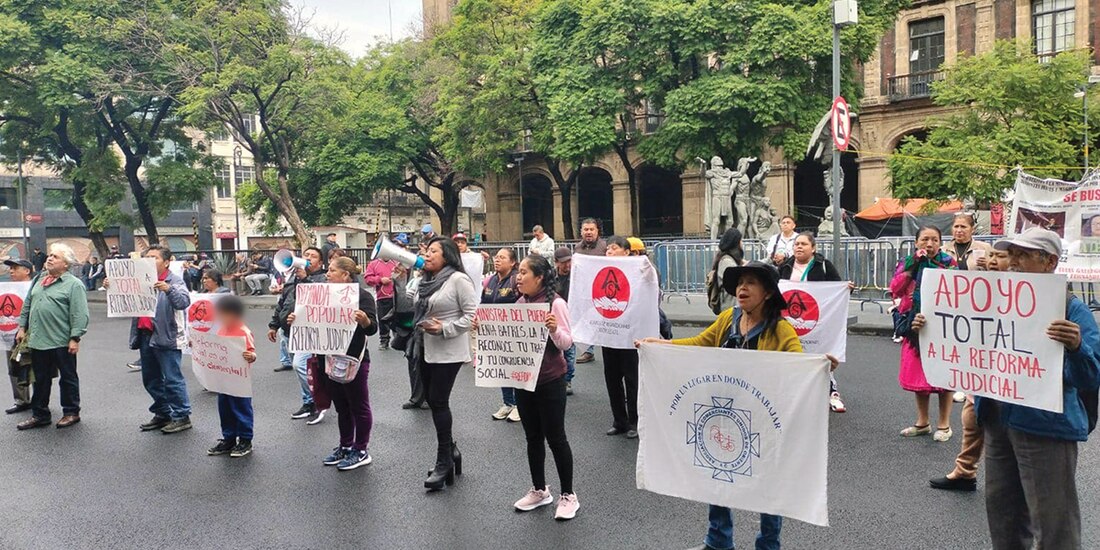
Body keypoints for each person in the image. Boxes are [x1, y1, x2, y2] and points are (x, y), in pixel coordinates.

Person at [918, 228, 1100, 548]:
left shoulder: (1070, 309)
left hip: (1046, 426)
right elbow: (964, 345)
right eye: (1011, 254)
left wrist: (1076, 346)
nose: (1013, 261)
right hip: (999, 421)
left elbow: (1091, 376)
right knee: (1004, 514)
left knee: (1053, 521)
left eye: (1023, 255)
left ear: (1050, 262)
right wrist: (927, 326)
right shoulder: (992, 300)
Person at [638, 260, 838, 550]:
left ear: (768, 293)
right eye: (740, 282)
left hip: (765, 423)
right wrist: (659, 346)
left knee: (769, 486)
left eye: (751, 283)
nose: (742, 288)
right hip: (725, 415)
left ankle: (768, 545)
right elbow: (699, 343)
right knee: (718, 476)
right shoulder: (727, 319)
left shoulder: (781, 330)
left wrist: (823, 367)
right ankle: (718, 540)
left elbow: (800, 367)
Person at [928, 247, 1009, 493]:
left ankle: (1013, 483)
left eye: (1000, 256)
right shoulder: (976, 285)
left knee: (1006, 428)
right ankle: (964, 472)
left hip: (1010, 371)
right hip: (980, 366)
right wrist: (926, 322)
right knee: (972, 416)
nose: (993, 260)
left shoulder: (1025, 289)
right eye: (991, 255)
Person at [289, 256, 379, 471]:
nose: (327, 274)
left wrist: (365, 320)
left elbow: (373, 328)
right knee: (341, 406)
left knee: (359, 406)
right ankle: (346, 446)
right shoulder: (321, 296)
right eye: (328, 270)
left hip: (352, 360)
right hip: (327, 359)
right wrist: (295, 320)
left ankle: (361, 449)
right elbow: (311, 320)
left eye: (331, 270)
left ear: (345, 275)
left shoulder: (362, 296)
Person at [509, 254, 579, 520]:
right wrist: (487, 331)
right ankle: (539, 490)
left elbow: (566, 343)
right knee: (532, 437)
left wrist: (553, 330)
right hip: (524, 381)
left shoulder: (555, 304)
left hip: (550, 380)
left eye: (525, 272)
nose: (519, 277)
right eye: (519, 272)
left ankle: (568, 495)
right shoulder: (519, 303)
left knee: (556, 438)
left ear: (539, 277)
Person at [411, 236, 478, 491]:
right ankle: (452, 451)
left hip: (448, 351)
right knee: (431, 398)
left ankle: (443, 462)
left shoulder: (458, 280)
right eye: (426, 252)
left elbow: (472, 316)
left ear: (447, 256)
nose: (427, 255)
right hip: (426, 348)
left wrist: (445, 328)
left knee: (439, 402)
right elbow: (414, 303)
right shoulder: (425, 280)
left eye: (433, 252)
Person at [890, 225, 957, 442]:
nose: (930, 244)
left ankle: (944, 424)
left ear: (940, 242)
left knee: (944, 374)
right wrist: (914, 267)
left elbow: (957, 291)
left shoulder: (949, 263)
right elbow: (896, 288)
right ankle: (922, 422)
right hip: (914, 324)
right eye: (925, 239)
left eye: (935, 240)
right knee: (920, 374)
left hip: (943, 325)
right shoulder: (907, 262)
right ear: (916, 242)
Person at [118, 245, 193, 434]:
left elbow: (183, 302)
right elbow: (125, 301)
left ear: (167, 262)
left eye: (155, 258)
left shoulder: (173, 280)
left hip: (165, 335)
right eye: (147, 257)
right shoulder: (140, 279)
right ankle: (162, 413)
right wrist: (114, 287)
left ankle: (182, 416)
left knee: (172, 378)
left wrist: (168, 289)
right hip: (145, 334)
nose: (149, 261)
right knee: (151, 379)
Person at [15, 243, 89, 430]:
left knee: (68, 377)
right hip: (39, 340)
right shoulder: (40, 278)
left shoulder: (74, 284)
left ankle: (71, 412)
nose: (49, 258)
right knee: (40, 379)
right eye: (50, 255)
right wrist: (22, 327)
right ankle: (40, 414)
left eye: (55, 257)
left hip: (62, 340)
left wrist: (75, 338)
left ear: (66, 264)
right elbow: (28, 303)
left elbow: (79, 314)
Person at [777, 232, 852, 413]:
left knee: (822, 356)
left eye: (803, 244)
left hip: (816, 321)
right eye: (796, 244)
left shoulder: (823, 265)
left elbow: (837, 286)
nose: (799, 247)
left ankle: (832, 393)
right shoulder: (784, 267)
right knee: (791, 357)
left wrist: (845, 288)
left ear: (813, 248)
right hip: (789, 321)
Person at [271, 247, 327, 423]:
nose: (308, 257)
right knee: (304, 369)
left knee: (299, 365)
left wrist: (306, 279)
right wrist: (274, 325)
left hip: (310, 331)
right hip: (290, 331)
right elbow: (283, 302)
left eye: (313, 256)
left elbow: (322, 299)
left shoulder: (323, 279)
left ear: (320, 262)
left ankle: (319, 401)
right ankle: (309, 402)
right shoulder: (292, 279)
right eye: (306, 255)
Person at [205, 296, 258, 458]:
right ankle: (229, 438)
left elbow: (251, 352)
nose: (220, 317)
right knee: (225, 409)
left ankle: (245, 439)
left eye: (223, 314)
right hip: (224, 380)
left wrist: (251, 356)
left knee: (241, 408)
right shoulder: (221, 330)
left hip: (238, 380)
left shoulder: (243, 331)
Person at [601, 236, 641, 439]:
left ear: (626, 252)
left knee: (632, 380)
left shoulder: (638, 271)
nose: (609, 251)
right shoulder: (601, 273)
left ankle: (635, 421)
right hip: (609, 334)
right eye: (607, 248)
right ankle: (619, 420)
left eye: (614, 248)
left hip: (629, 335)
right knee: (612, 380)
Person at [482, 247, 522, 422]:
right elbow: (483, 304)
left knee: (517, 370)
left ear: (512, 262)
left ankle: (521, 405)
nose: (497, 260)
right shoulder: (490, 280)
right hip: (497, 335)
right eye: (496, 257)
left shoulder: (516, 280)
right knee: (503, 370)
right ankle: (508, 403)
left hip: (517, 335)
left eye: (502, 257)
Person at [573, 218, 606, 364]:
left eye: (591, 229)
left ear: (597, 231)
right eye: (585, 229)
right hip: (585, 291)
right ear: (581, 232)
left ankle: (612, 348)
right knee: (587, 320)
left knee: (607, 322)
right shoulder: (577, 248)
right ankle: (588, 351)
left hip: (604, 290)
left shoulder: (605, 247)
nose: (588, 232)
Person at [4, 259, 34, 415]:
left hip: (33, 335)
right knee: (14, 366)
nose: (11, 271)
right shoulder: (5, 289)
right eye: (10, 268)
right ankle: (21, 400)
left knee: (35, 368)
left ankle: (40, 400)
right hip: (10, 335)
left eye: (15, 268)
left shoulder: (36, 287)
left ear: (27, 271)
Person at [365, 236, 401, 351]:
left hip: (396, 295)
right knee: (383, 318)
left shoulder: (396, 262)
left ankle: (398, 339)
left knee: (398, 317)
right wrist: (380, 280)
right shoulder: (373, 264)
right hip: (382, 296)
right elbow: (368, 279)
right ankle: (384, 340)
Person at [554, 247, 576, 396]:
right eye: (563, 262)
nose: (567, 265)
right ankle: (558, 378)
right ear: (556, 263)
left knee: (570, 351)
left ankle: (567, 379)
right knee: (556, 350)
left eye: (569, 261)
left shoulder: (576, 276)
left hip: (571, 317)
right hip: (555, 316)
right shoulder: (549, 277)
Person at [712, 229, 746, 313]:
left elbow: (749, 264)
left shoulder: (733, 259)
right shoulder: (726, 261)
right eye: (741, 240)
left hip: (733, 306)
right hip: (729, 307)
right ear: (736, 243)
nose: (742, 243)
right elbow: (736, 277)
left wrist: (770, 258)